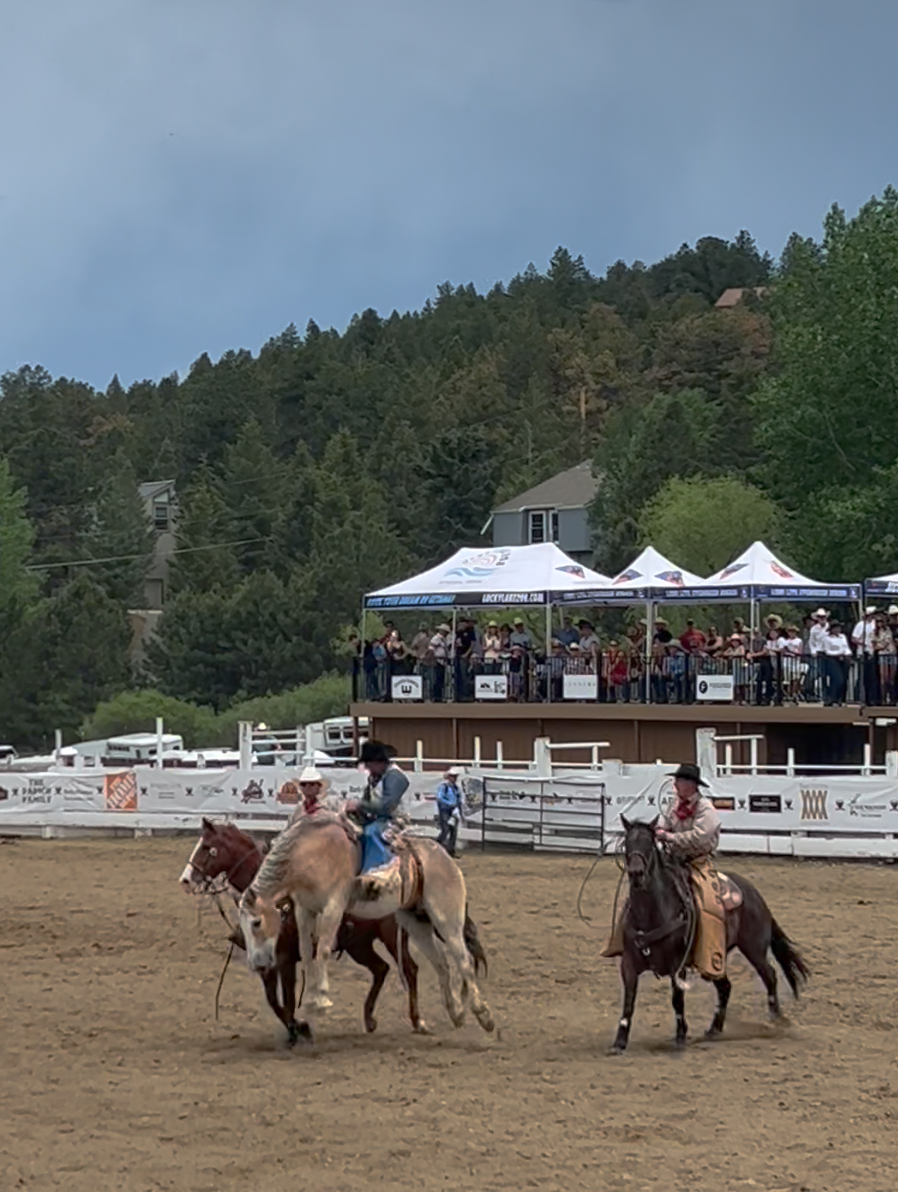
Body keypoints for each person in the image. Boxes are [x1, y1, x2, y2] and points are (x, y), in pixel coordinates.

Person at [602, 763, 726, 980]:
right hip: (673, 860)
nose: (678, 785)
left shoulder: (706, 809)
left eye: (682, 782)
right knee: (638, 894)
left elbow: (701, 836)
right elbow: (666, 823)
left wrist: (670, 837)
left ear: (692, 785)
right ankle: (623, 942)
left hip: (698, 863)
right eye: (677, 781)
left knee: (708, 902)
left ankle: (707, 953)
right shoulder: (674, 804)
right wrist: (658, 831)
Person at [351, 741, 410, 872]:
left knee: (372, 832)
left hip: (396, 820)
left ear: (378, 762)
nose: (367, 769)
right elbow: (367, 800)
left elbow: (387, 805)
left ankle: (377, 870)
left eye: (369, 765)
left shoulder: (395, 777)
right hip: (378, 818)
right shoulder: (376, 778)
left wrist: (360, 805)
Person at [435, 766, 465, 856]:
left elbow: (458, 800)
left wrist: (460, 811)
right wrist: (450, 804)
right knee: (446, 830)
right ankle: (437, 847)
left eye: (455, 776)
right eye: (453, 776)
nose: (455, 778)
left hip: (452, 811)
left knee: (453, 831)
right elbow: (439, 798)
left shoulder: (455, 788)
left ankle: (450, 850)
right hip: (446, 810)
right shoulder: (444, 787)